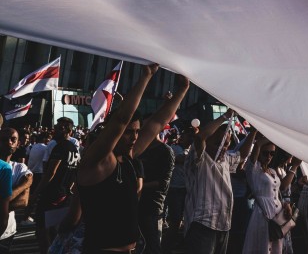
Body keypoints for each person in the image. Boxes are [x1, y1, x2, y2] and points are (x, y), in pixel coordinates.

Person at [76, 64, 189, 254]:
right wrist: (146, 76)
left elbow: (158, 122)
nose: (135, 137)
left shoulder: (127, 157)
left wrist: (183, 89)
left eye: (137, 131)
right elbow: (121, 118)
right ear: (113, 132)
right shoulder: (96, 162)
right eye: (128, 132)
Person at [184, 110, 258, 254]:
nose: (223, 147)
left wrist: (254, 132)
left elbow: (242, 155)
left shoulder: (225, 159)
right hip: (202, 225)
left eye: (227, 144)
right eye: (219, 143)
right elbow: (199, 138)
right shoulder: (200, 158)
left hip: (223, 225)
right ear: (208, 141)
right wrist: (225, 116)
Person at [242, 137, 299, 254]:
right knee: (263, 247)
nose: (268, 156)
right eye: (265, 153)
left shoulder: (272, 171)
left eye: (272, 153)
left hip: (277, 217)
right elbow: (257, 144)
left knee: (275, 248)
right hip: (263, 216)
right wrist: (272, 135)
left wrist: (285, 205)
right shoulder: (254, 169)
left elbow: (276, 194)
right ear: (259, 153)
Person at [34, 117, 80, 251]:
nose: (57, 130)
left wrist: (35, 195)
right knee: (55, 230)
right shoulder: (74, 148)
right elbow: (76, 171)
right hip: (64, 195)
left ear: (69, 131)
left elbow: (51, 173)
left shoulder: (60, 147)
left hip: (51, 195)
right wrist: (70, 189)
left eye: (61, 128)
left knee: (41, 229)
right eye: (57, 126)